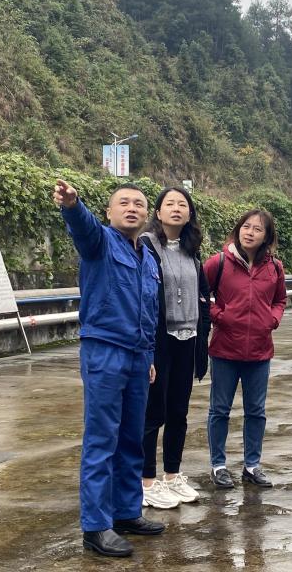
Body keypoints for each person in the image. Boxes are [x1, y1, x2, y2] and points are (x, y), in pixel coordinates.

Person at [53, 179, 163, 559]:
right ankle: (97, 527)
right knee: (102, 439)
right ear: (109, 212)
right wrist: (72, 205)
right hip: (104, 351)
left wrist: (149, 357)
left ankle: (127, 512)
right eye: (123, 203)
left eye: (138, 204)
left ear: (147, 215)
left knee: (133, 437)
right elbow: (81, 227)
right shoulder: (98, 242)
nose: (131, 208)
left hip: (136, 356)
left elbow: (149, 312)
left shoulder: (148, 258)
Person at [202, 209, 287, 490]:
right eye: (246, 226)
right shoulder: (220, 262)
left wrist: (272, 320)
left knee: (256, 411)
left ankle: (252, 466)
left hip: (260, 352)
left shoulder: (274, 267)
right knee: (220, 410)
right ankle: (218, 465)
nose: (250, 232)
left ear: (267, 237)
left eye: (258, 229)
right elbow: (201, 294)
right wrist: (219, 316)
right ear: (238, 230)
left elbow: (280, 300)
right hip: (225, 350)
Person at [138, 187, 211, 509]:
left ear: (190, 213)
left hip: (188, 338)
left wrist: (202, 347)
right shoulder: (146, 246)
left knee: (178, 413)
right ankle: (146, 481)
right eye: (170, 204)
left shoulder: (192, 252)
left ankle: (172, 475)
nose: (177, 209)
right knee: (153, 413)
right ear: (158, 212)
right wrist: (147, 348)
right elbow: (144, 298)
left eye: (183, 204)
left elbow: (204, 300)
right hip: (160, 339)